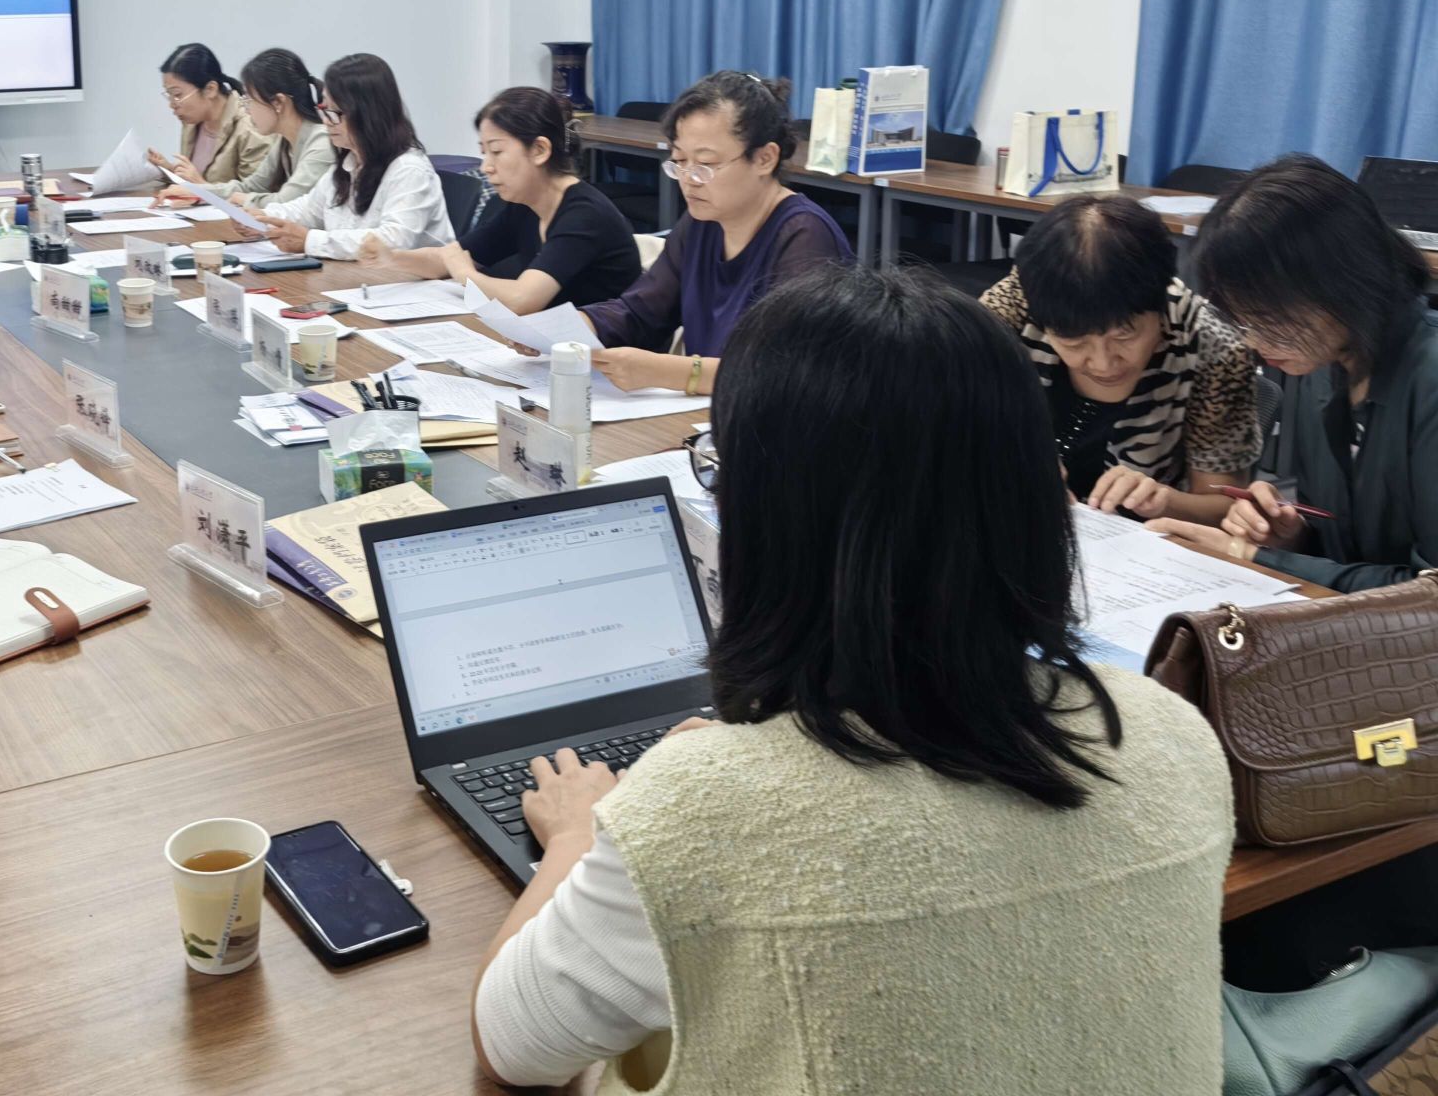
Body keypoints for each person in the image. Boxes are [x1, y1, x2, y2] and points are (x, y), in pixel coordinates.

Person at [471, 267, 1234, 1093]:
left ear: (772, 516)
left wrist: (582, 835)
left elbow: (510, 1046)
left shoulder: (703, 810)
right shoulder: (1173, 734)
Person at [1146, 154, 1438, 591]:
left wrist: (1256, 559)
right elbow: (1347, 548)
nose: (1254, 343)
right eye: (1243, 321)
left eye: (1269, 320)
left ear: (1343, 281)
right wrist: (1290, 535)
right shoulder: (1320, 362)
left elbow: (1429, 591)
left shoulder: (1429, 378)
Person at [980, 193, 1259, 523]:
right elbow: (944, 428)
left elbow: (1226, 506)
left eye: (1125, 335)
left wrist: (1165, 500)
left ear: (1160, 305)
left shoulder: (1213, 349)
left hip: (1139, 540)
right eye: (1073, 341)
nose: (1103, 363)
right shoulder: (1008, 312)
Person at [582, 72, 850, 394]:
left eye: (705, 164)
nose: (688, 179)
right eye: (679, 160)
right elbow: (641, 312)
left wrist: (671, 372)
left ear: (764, 158)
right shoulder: (702, 221)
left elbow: (787, 372)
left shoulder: (805, 236)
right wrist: (578, 326)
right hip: (712, 409)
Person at [359, 87, 640, 310]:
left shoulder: (584, 215)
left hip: (605, 356)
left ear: (539, 150)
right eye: (484, 153)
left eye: (496, 152)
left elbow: (523, 299)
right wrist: (392, 256)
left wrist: (465, 274)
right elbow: (448, 258)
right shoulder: (525, 205)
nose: (486, 167)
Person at [251, 53, 454, 259]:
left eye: (335, 112)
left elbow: (392, 241)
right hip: (358, 275)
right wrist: (262, 218)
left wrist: (310, 241)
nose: (326, 121)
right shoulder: (350, 162)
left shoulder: (409, 170)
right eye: (324, 109)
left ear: (369, 114)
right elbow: (308, 210)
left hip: (407, 278)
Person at [152, 48, 335, 208]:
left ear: (279, 102)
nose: (246, 109)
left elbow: (286, 202)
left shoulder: (321, 143)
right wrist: (197, 191)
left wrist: (243, 199)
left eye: (250, 100)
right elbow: (250, 186)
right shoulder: (284, 141)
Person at [143, 42, 272, 189]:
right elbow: (194, 181)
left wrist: (201, 185)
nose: (172, 104)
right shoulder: (192, 123)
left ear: (210, 89)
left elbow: (254, 195)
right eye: (169, 95)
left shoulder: (250, 129)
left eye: (177, 95)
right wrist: (169, 170)